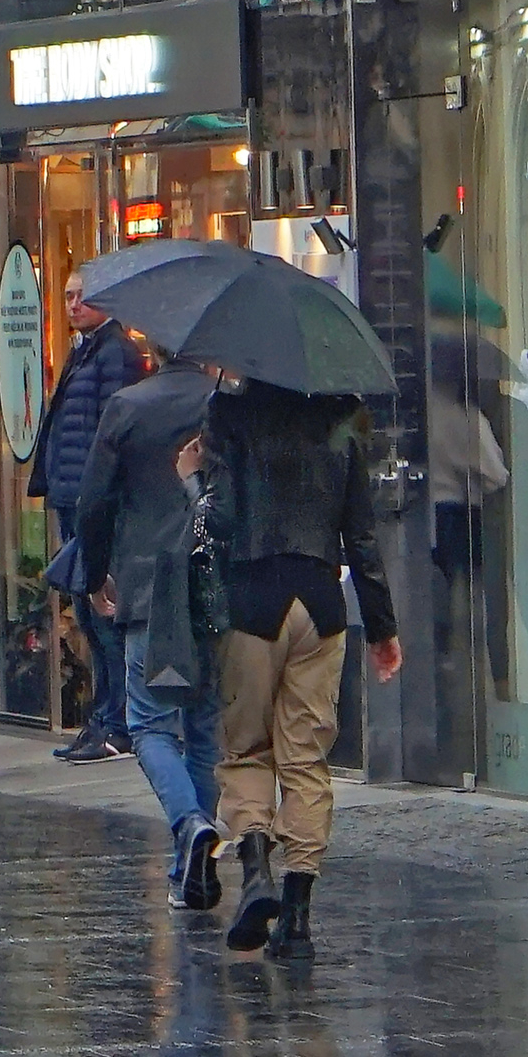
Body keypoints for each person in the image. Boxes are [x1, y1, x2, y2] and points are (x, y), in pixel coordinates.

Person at [206, 372, 393, 960]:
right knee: (306, 758)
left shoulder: (230, 413)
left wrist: (192, 477)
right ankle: (298, 917)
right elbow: (361, 536)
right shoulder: (341, 418)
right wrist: (383, 628)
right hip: (320, 602)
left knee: (246, 750)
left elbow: (221, 520)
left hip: (253, 600)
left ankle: (256, 871)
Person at [76, 351, 230, 915]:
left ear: (156, 348)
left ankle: (190, 826)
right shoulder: (223, 404)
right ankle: (192, 869)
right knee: (205, 723)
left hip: (146, 588)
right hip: (211, 588)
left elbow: (94, 501)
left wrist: (94, 575)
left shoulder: (127, 407)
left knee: (149, 723)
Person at [33, 293, 145, 762]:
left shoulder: (114, 352)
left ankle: (116, 723)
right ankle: (103, 718)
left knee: (102, 615)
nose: (72, 304)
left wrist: (96, 496)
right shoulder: (85, 349)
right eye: (69, 296)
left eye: (83, 296)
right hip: (73, 495)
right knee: (87, 613)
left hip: (91, 500)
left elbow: (110, 431)